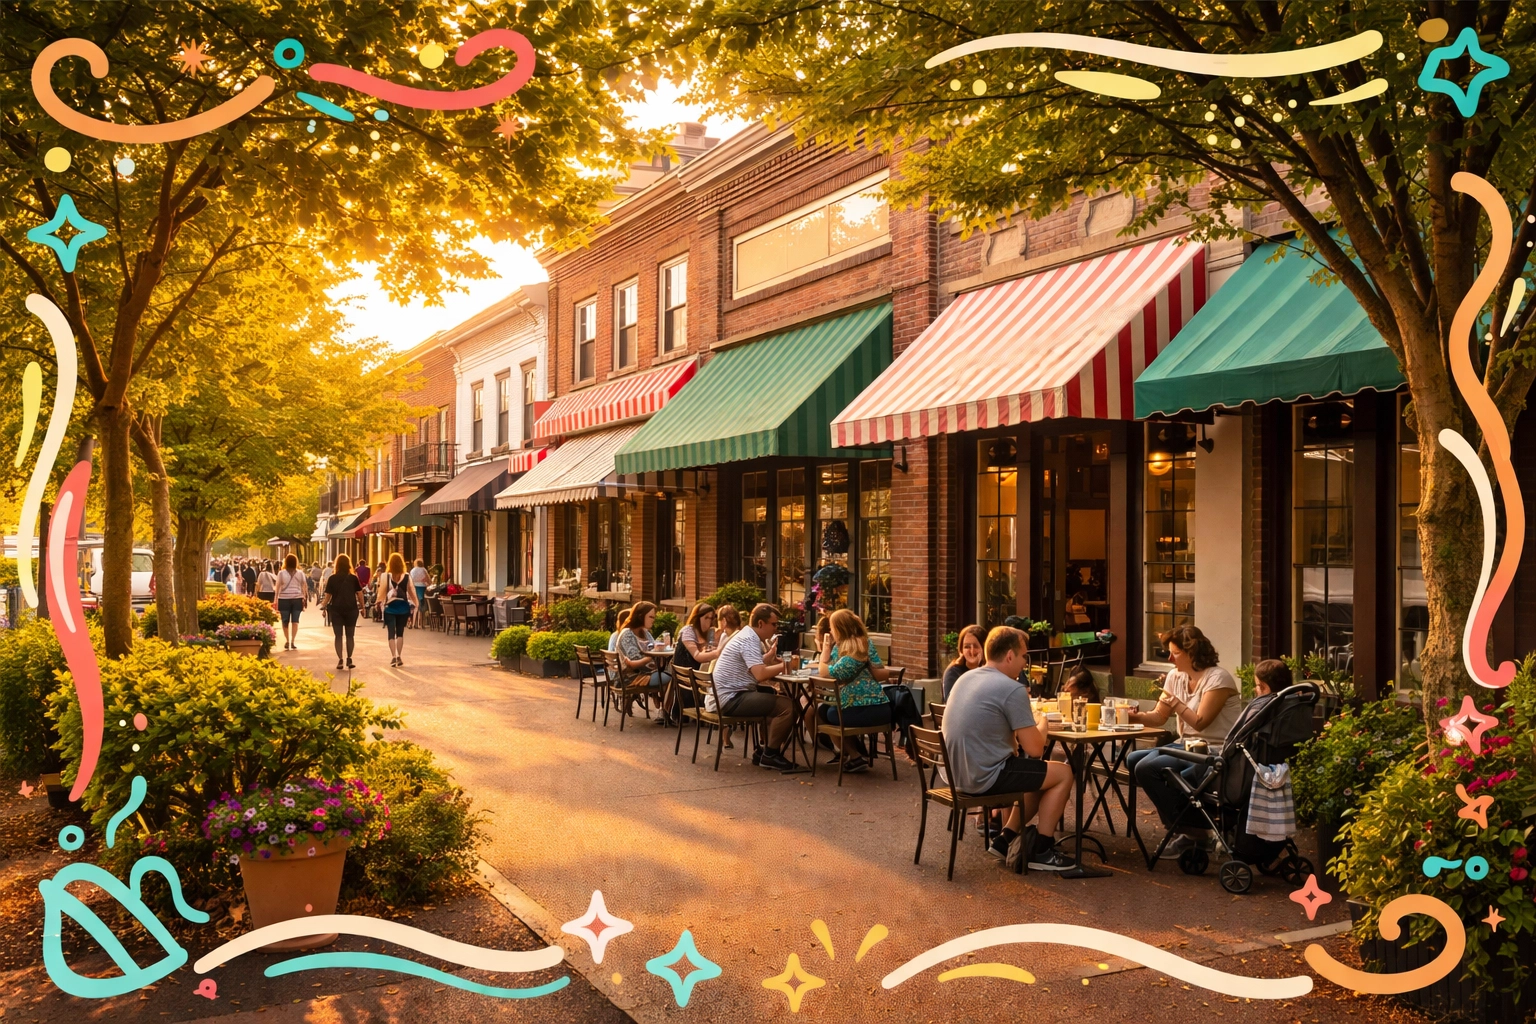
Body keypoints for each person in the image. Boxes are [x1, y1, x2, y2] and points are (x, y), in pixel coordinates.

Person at [942, 625, 1076, 872]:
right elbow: (1035, 749)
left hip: (957, 775)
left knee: (1039, 774)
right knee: (1064, 774)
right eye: (1025, 656)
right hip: (986, 776)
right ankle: (1042, 850)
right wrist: (1042, 721)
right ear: (1010, 656)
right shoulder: (1011, 688)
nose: (1025, 663)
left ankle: (1005, 839)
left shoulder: (965, 678)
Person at [1126, 624, 1243, 859]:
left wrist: (1175, 702)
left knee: (1147, 767)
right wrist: (1133, 716)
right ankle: (1191, 828)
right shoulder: (1175, 676)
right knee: (1133, 759)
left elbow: (1200, 722)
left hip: (1213, 748)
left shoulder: (1218, 678)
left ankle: (1191, 830)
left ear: (1193, 652)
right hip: (1185, 745)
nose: (1170, 658)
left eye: (1175, 653)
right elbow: (1159, 716)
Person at [710, 603, 796, 771]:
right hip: (731, 698)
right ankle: (771, 755)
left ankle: (764, 751)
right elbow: (760, 675)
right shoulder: (749, 640)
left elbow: (752, 665)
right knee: (788, 707)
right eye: (774, 624)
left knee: (772, 694)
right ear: (761, 624)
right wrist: (787, 665)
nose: (776, 628)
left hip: (725, 695)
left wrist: (768, 657)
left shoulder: (746, 635)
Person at [810, 609, 892, 773]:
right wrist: (826, 651)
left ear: (840, 628)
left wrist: (824, 653)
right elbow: (827, 669)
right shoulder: (841, 646)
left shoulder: (857, 649)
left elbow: (827, 672)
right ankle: (853, 755)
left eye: (832, 627)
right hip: (853, 703)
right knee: (821, 711)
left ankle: (854, 755)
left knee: (833, 714)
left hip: (873, 707)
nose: (830, 631)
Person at [615, 601, 670, 721]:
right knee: (673, 677)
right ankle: (665, 711)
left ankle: (664, 710)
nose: (653, 620)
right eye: (650, 617)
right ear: (640, 616)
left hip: (646, 673)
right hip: (631, 677)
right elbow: (635, 662)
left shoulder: (645, 633)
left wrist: (660, 652)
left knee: (672, 672)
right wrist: (654, 656)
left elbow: (653, 649)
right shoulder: (627, 634)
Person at [377, 552, 418, 667]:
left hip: (390, 607)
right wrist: (416, 603)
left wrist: (379, 602)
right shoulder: (406, 576)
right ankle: (399, 656)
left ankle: (393, 657)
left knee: (391, 632)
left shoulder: (385, 575)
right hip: (403, 607)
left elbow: (381, 591)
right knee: (400, 633)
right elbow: (411, 591)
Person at [322, 553, 362, 670]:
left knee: (338, 636)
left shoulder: (332, 578)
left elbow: (328, 596)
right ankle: (349, 658)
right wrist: (363, 607)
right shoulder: (353, 578)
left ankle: (340, 659)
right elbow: (359, 594)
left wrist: (324, 607)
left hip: (336, 610)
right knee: (350, 635)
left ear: (337, 565)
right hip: (351, 609)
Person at [942, 625, 987, 700]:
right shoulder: (953, 672)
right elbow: (951, 702)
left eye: (976, 646)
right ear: (961, 650)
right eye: (967, 647)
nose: (972, 651)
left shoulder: (990, 671)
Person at [674, 602, 722, 670]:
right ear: (697, 618)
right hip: (683, 675)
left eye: (711, 618)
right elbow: (697, 656)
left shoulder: (708, 633)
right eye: (706, 617)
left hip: (698, 674)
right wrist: (718, 652)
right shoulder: (688, 631)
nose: (709, 621)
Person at [275, 555, 307, 651]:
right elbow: (304, 586)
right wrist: (304, 597)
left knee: (285, 621)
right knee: (295, 621)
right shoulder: (300, 573)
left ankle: (287, 640)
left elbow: (277, 587)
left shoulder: (281, 573)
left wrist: (275, 600)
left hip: (284, 599)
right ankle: (293, 641)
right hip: (297, 599)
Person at [409, 558, 429, 627]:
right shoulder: (424, 570)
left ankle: (414, 623)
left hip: (414, 588)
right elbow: (429, 580)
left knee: (415, 606)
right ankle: (421, 623)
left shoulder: (412, 571)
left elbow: (410, 581)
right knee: (421, 606)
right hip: (422, 588)